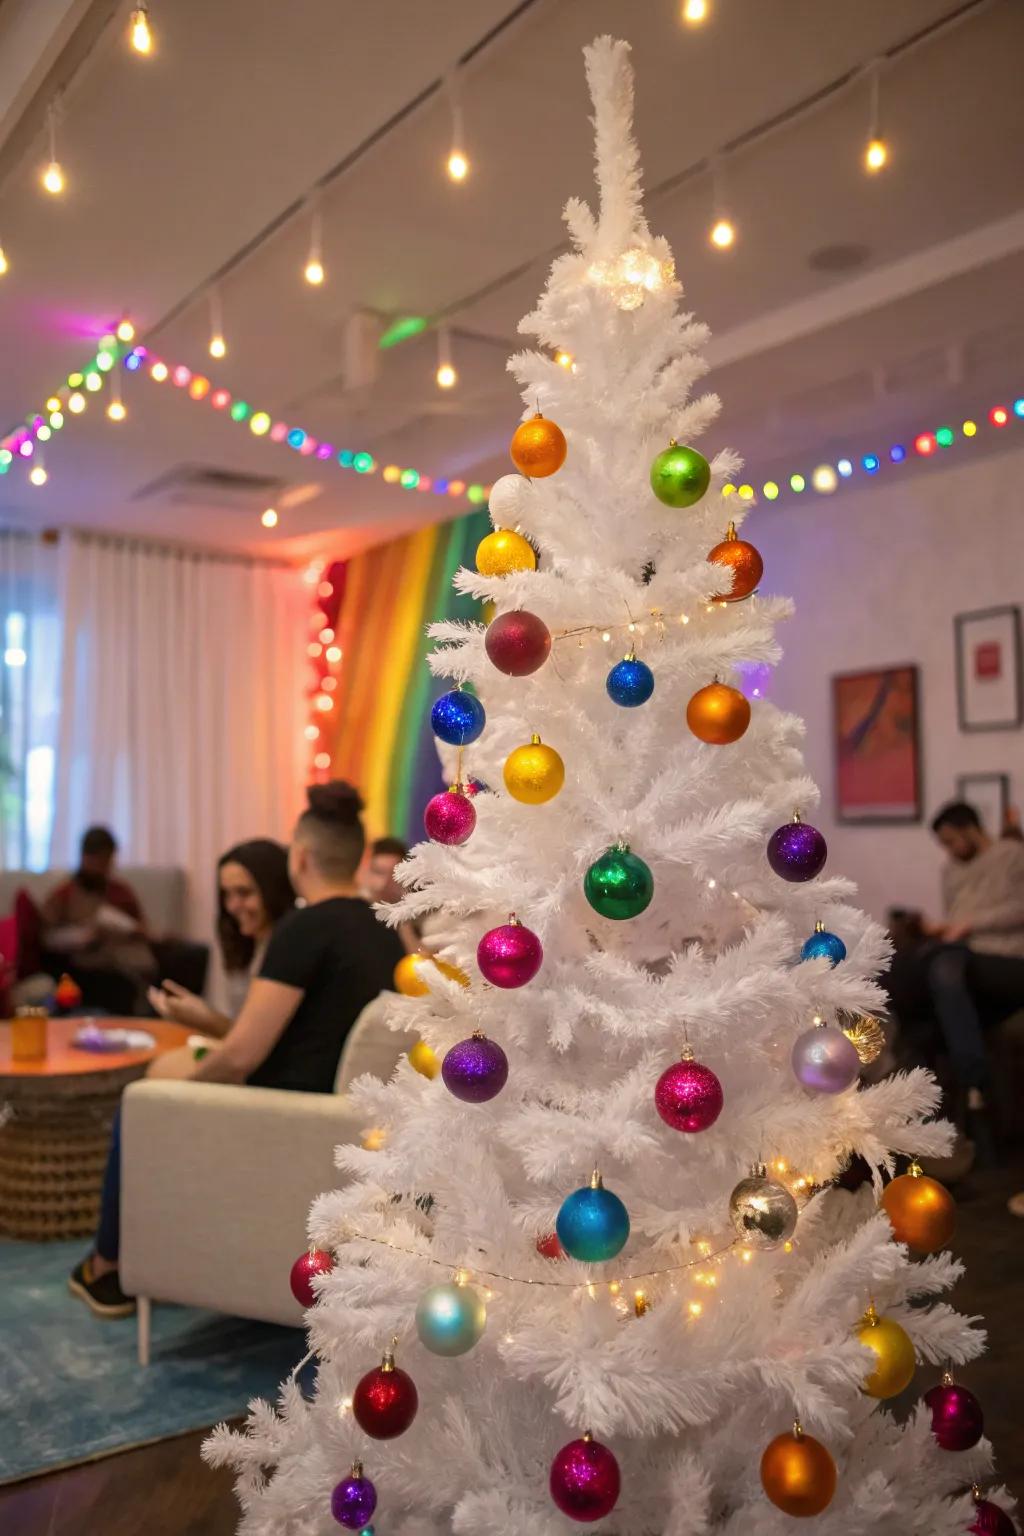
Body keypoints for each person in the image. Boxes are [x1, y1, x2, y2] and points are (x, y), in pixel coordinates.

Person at [69, 782, 405, 1317]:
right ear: (358, 856)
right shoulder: (387, 930)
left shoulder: (304, 928)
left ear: (299, 858)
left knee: (144, 1094)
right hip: (346, 1119)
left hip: (281, 1114)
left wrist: (167, 1100)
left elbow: (240, 1058)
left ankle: (109, 1266)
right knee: (168, 1075)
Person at [885, 802, 1024, 1164]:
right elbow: (955, 918)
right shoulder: (951, 871)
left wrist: (970, 924)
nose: (949, 851)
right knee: (929, 980)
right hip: (962, 959)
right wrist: (943, 928)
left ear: (971, 829)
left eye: (951, 841)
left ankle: (971, 1076)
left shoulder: (1011, 855)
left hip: (1006, 958)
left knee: (941, 964)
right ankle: (941, 1128)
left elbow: (1019, 909)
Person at [147, 839, 294, 1035]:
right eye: (227, 894)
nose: (233, 906)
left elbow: (256, 1044)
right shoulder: (234, 938)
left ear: (273, 890)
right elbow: (225, 1014)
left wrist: (206, 1019)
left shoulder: (291, 948)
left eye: (244, 892)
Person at [40, 826, 155, 1014]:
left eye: (107, 861)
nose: (103, 868)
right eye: (98, 861)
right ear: (85, 857)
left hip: (120, 963)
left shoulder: (121, 893)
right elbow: (47, 938)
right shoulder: (64, 895)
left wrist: (133, 931)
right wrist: (82, 936)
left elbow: (143, 929)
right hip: (77, 968)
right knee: (118, 988)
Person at [362, 835, 418, 952]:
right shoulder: (353, 911)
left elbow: (418, 962)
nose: (384, 883)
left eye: (393, 875)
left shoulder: (418, 916)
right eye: (378, 872)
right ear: (365, 872)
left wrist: (403, 917)